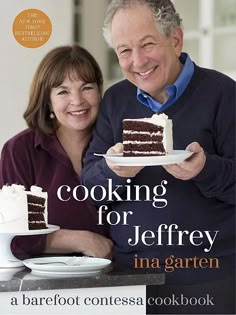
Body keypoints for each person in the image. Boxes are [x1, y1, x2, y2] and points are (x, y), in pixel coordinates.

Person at [81, 0, 235, 312]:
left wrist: (205, 170)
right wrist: (113, 170)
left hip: (209, 275)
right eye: (124, 50)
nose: (137, 61)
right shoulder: (115, 101)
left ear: (175, 39)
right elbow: (90, 188)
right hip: (129, 277)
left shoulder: (223, 94)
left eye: (147, 44)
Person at [0, 45, 113, 259]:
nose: (77, 101)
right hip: (43, 286)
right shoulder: (20, 151)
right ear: (48, 101)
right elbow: (11, 236)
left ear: (99, 91)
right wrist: (81, 240)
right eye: (63, 91)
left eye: (87, 87)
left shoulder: (118, 146)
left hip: (123, 280)